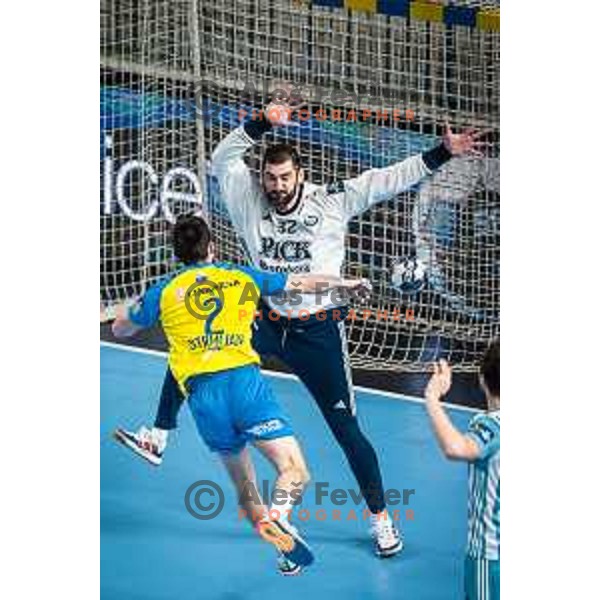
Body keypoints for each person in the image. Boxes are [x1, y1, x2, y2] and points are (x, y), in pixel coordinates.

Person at [116, 93, 484, 557]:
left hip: (317, 331)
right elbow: (222, 157)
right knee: (195, 348)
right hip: (266, 320)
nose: (276, 185)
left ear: (300, 176)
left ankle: (381, 520)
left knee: (347, 430)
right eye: (270, 177)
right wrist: (261, 123)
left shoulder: (331, 202)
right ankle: (159, 433)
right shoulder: (247, 198)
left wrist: (443, 152)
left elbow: (389, 180)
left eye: (285, 177)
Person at [113, 214, 371, 575]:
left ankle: (278, 537)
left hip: (203, 401)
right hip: (244, 387)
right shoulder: (239, 275)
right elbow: (301, 284)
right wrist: (345, 284)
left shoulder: (164, 290)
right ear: (212, 248)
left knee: (247, 494)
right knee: (293, 470)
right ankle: (280, 517)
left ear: (176, 254)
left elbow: (121, 329)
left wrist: (137, 308)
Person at [424, 341, 500, 600]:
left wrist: (433, 397)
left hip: (491, 558)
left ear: (481, 380)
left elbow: (457, 448)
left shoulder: (492, 425)